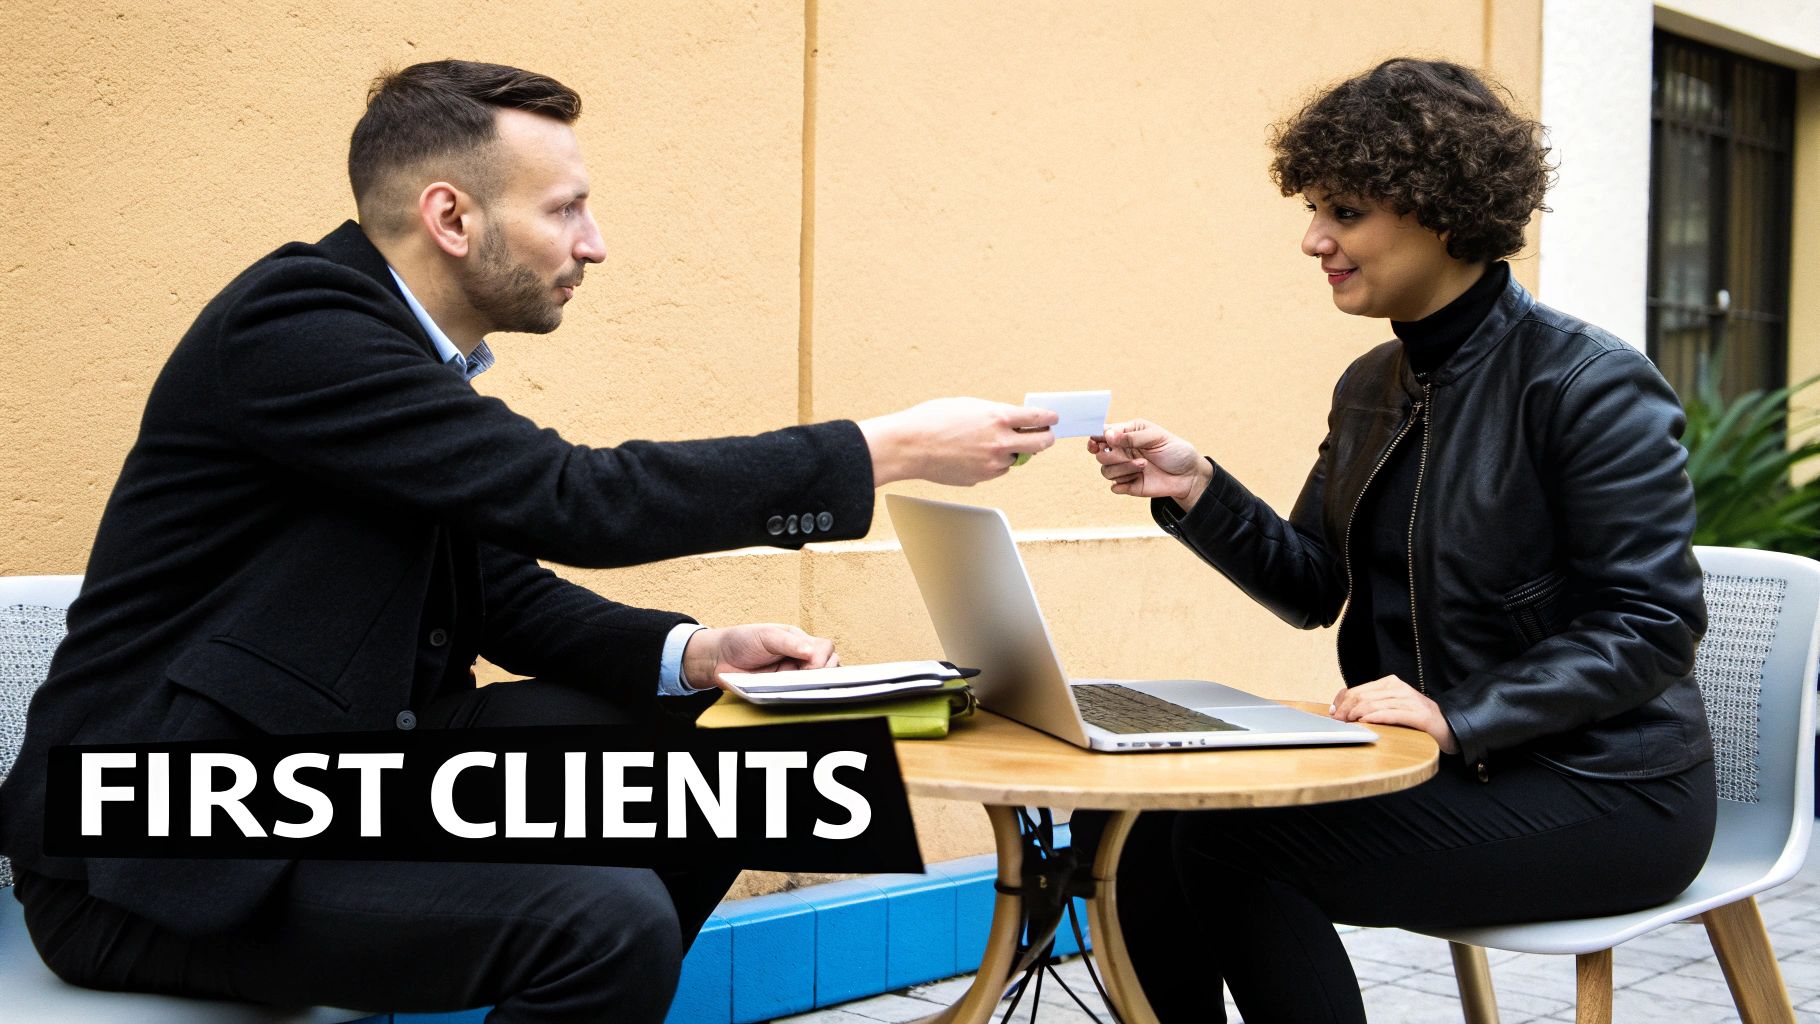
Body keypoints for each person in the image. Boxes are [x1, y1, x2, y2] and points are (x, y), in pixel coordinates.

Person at [0, 60, 1057, 1022]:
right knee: (603, 923)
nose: (593, 243)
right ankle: (597, 963)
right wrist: (880, 447)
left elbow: (502, 588)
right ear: (450, 216)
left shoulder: (391, 362)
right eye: (565, 209)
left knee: (748, 759)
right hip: (158, 846)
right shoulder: (298, 329)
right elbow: (574, 496)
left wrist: (694, 655)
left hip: (344, 767)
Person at [1083, 59, 1715, 1023]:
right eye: (1313, 208)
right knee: (1135, 827)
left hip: (1606, 792)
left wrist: (1459, 712)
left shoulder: (1588, 384)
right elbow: (1313, 585)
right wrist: (1198, 489)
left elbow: (1650, 623)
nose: (1312, 239)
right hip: (1439, 767)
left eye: (1344, 210)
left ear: (1440, 208)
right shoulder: (1374, 382)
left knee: (1229, 845)